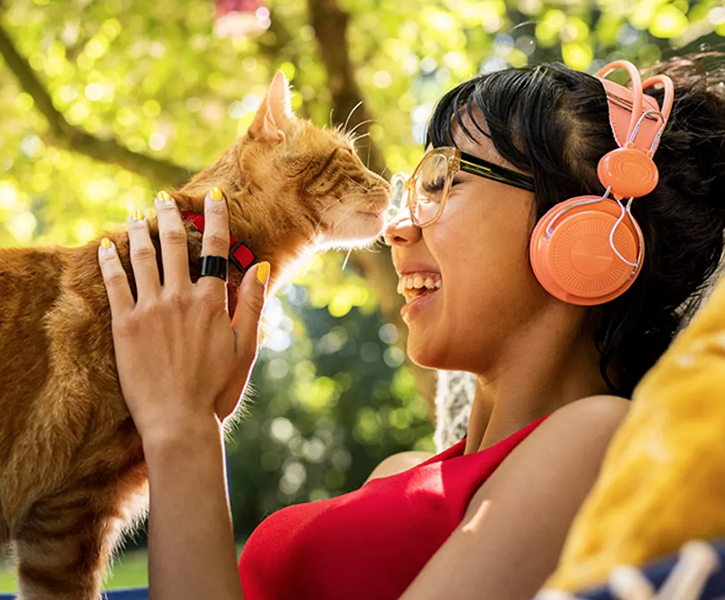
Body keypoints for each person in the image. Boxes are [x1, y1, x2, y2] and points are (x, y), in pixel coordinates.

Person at [95, 55, 725, 600]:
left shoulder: (596, 442)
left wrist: (183, 428)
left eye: (443, 182)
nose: (397, 225)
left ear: (585, 238)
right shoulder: (400, 471)